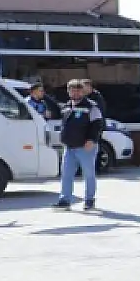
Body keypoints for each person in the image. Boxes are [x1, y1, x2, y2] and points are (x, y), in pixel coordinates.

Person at [53, 79, 103, 211]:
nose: (75, 93)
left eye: (78, 90)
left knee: (88, 174)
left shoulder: (91, 106)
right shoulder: (66, 107)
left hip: (85, 146)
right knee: (66, 174)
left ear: (83, 91)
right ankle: (64, 200)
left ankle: (89, 200)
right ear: (68, 91)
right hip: (69, 147)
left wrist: (91, 139)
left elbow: (97, 125)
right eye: (72, 90)